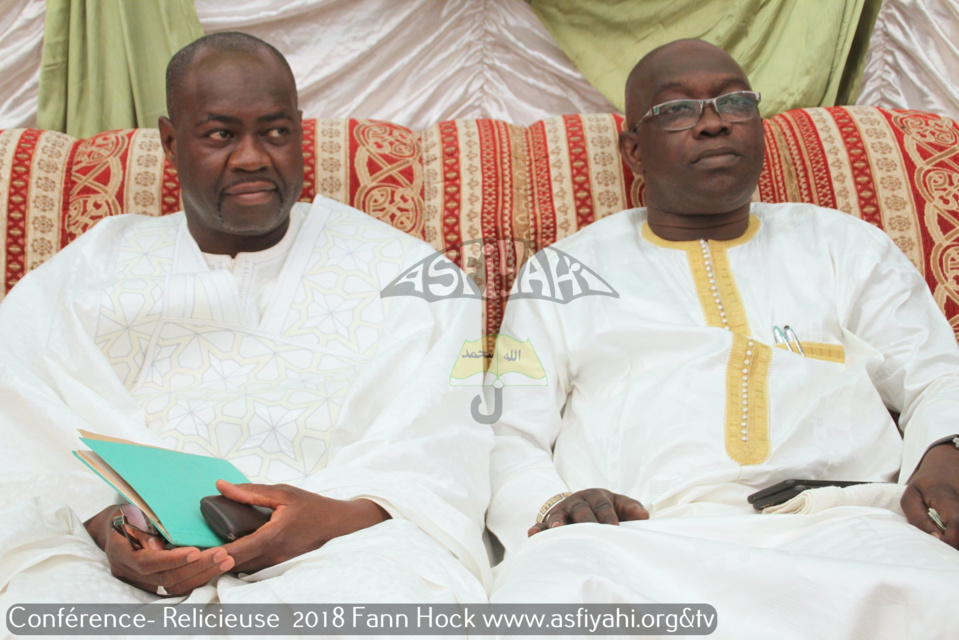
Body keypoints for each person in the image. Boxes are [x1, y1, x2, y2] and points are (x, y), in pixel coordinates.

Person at [487, 39, 959, 639]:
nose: (713, 123)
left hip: (852, 531)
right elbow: (508, 431)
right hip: (638, 542)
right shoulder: (562, 274)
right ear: (634, 150)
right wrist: (553, 505)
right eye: (677, 110)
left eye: (734, 101)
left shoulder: (844, 247)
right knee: (539, 605)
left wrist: (946, 449)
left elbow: (937, 375)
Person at [0, 32, 490, 607]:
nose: (254, 156)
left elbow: (443, 446)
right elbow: (24, 433)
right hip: (128, 561)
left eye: (276, 132)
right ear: (169, 141)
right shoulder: (88, 273)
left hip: (346, 549)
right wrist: (111, 528)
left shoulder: (409, 275)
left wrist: (329, 518)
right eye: (220, 134)